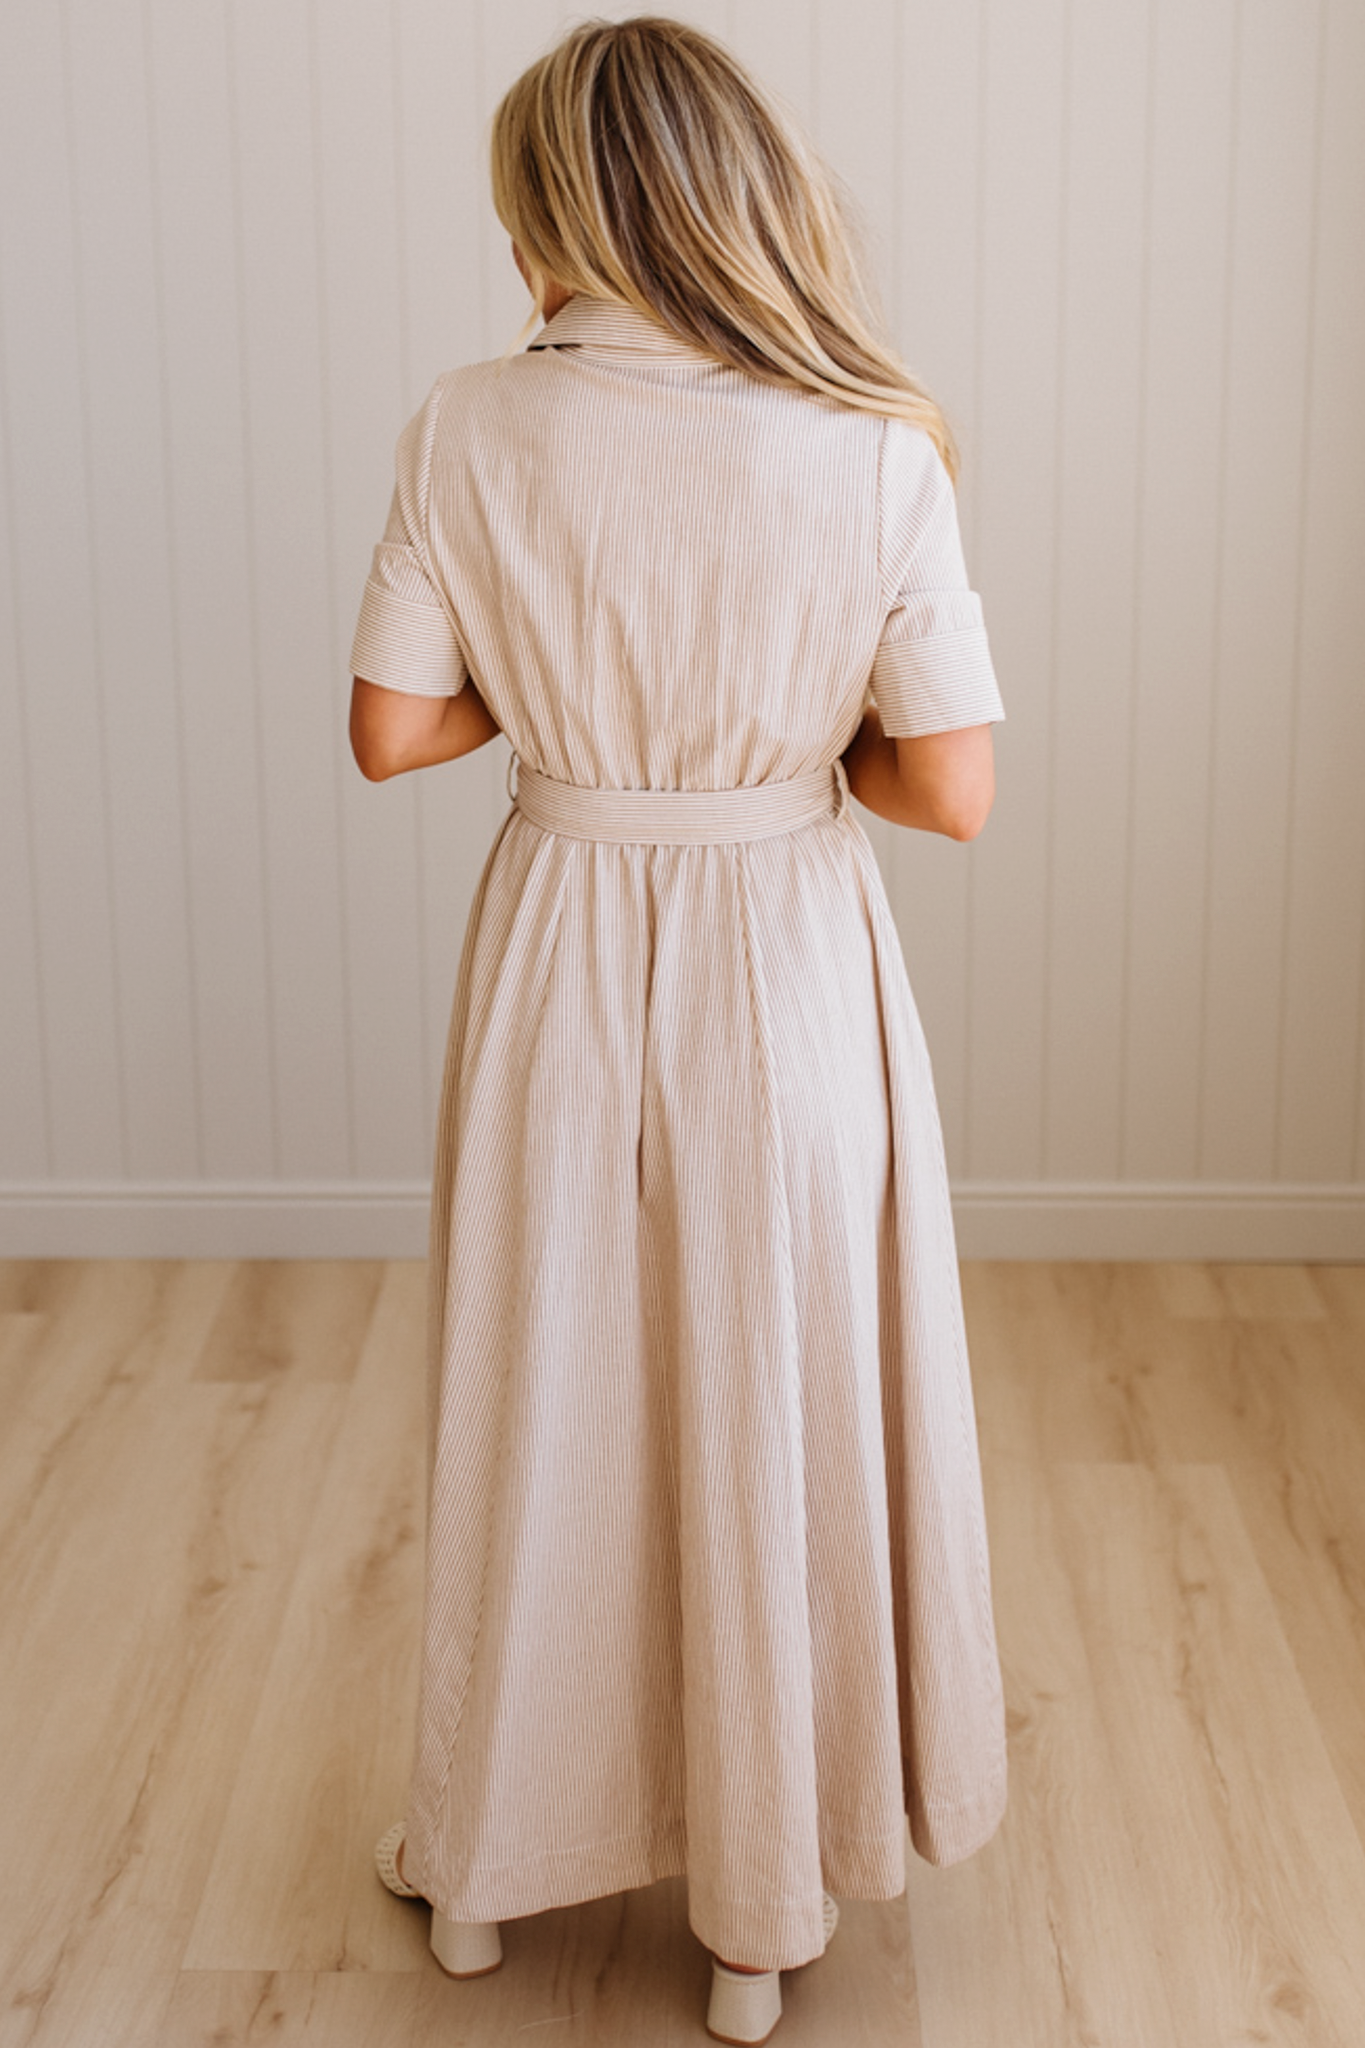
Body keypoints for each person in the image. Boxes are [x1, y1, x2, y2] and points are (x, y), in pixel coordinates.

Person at [348, 17, 1008, 2044]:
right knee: (771, 1380)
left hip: (558, 930)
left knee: (548, 1385)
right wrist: (779, 751)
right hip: (783, 955)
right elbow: (953, 788)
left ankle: (482, 1875)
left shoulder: (467, 422)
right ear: (746, 194)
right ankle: (756, 1910)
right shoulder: (871, 443)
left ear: (550, 211)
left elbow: (391, 734)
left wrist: (569, 725)